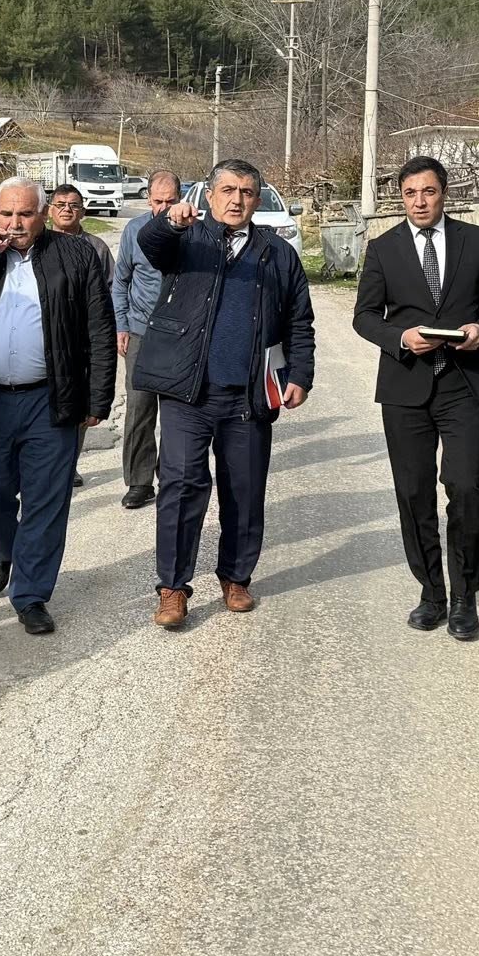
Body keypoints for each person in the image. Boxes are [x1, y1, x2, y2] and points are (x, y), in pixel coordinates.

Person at [135, 158, 315, 628]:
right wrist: (168, 223)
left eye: (248, 192)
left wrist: (300, 375)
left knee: (245, 488)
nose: (237, 200)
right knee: (180, 485)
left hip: (248, 396)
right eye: (228, 190)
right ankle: (172, 588)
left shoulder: (278, 253)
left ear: (258, 200)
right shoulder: (186, 239)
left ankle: (236, 577)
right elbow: (149, 246)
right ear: (210, 195)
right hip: (187, 392)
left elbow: (300, 321)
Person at [0, 176, 115, 635]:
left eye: (25, 214)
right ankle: (5, 550)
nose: (14, 223)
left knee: (46, 500)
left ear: (44, 215)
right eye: (6, 214)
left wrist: (98, 397)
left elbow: (99, 326)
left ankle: (32, 595)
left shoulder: (75, 255)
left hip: (49, 398)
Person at [352, 156, 479, 639]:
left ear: (444, 193)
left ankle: (466, 595)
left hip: (462, 383)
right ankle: (432, 590)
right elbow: (364, 316)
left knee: (465, 487)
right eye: (409, 194)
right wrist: (401, 338)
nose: (419, 202)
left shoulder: (476, 241)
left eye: (428, 192)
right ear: (399, 197)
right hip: (406, 385)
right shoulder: (383, 249)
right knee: (413, 492)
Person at [111, 171, 181, 509]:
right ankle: (139, 482)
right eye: (158, 201)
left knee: (176, 411)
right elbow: (120, 281)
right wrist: (121, 325)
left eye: (170, 201)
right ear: (148, 199)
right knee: (139, 408)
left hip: (181, 337)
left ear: (180, 198)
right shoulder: (133, 231)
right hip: (140, 331)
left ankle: (170, 476)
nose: (164, 208)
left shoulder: (193, 231)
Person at [49, 182, 116, 487]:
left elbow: (112, 290)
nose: (67, 210)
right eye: (60, 204)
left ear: (83, 211)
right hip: (49, 340)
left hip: (83, 343)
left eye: (73, 205)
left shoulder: (96, 248)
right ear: (50, 210)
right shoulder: (41, 244)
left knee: (79, 409)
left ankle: (68, 464)